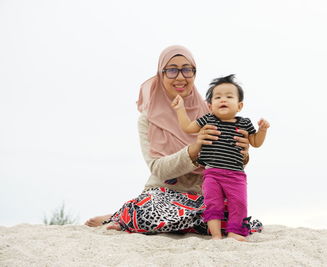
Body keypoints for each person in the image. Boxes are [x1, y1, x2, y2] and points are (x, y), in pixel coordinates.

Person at [85, 45, 263, 238]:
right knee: (148, 211)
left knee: (238, 220)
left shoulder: (213, 110)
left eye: (187, 69)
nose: (180, 77)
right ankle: (122, 216)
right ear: (161, 74)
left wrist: (244, 153)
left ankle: (134, 220)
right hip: (165, 193)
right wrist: (194, 149)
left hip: (205, 193)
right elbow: (158, 168)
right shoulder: (148, 119)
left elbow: (230, 161)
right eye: (171, 70)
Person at [171, 74, 270, 241]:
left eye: (229, 96)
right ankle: (215, 235)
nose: (223, 99)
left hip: (236, 176)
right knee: (213, 203)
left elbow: (255, 142)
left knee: (239, 204)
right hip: (212, 174)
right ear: (209, 106)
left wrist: (262, 131)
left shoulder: (244, 123)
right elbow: (188, 127)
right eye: (217, 97)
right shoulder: (208, 120)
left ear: (240, 105)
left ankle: (235, 233)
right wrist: (180, 109)